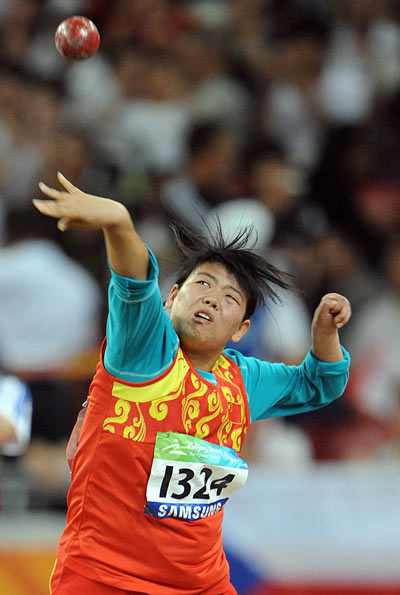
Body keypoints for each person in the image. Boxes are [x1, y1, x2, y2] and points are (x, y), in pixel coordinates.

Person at [33, 172, 351, 595]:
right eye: (203, 283)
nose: (213, 297)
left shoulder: (244, 380)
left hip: (203, 585)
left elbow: (318, 384)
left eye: (231, 297)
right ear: (172, 298)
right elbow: (133, 284)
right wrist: (119, 223)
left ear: (240, 329)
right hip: (103, 580)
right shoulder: (143, 351)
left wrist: (324, 337)